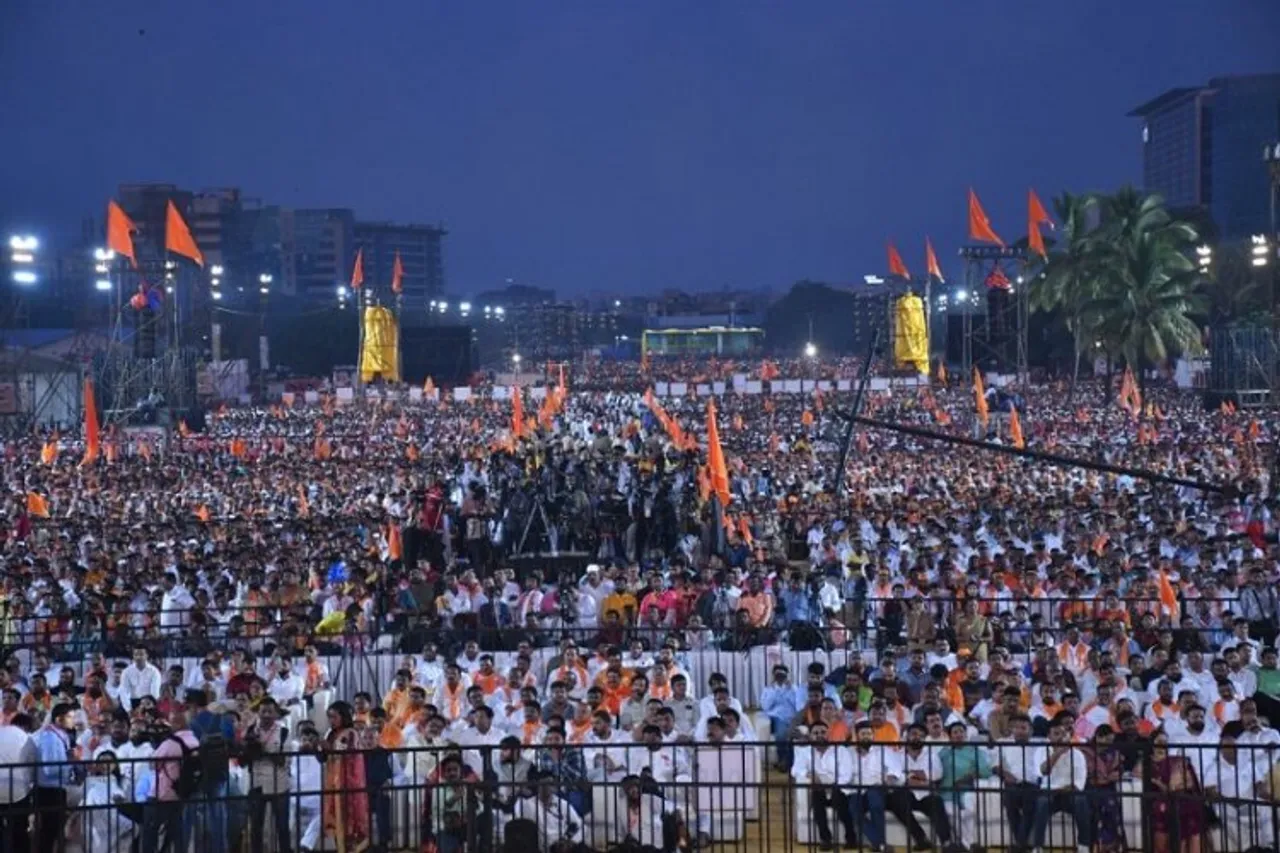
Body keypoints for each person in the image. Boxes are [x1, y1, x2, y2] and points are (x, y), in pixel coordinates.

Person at [1205, 721, 1273, 853]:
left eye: (1234, 745)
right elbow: (1210, 791)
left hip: (1247, 798)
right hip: (1226, 801)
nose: (1232, 749)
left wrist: (1263, 792)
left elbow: (1259, 782)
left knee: (1264, 806)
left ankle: (1269, 845)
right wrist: (1231, 801)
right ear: (1221, 749)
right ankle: (1248, 848)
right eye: (1227, 746)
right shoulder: (1214, 768)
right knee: (1225, 810)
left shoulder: (1246, 763)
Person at [887, 722, 954, 851]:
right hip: (907, 795)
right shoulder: (897, 755)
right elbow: (896, 778)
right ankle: (921, 838)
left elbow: (936, 774)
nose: (917, 737)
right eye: (914, 734)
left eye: (921, 735)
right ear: (907, 736)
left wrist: (909, 774)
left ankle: (947, 843)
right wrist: (922, 779)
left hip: (926, 795)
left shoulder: (931, 754)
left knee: (937, 802)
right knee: (896, 799)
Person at [791, 719, 856, 849]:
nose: (820, 735)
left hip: (839, 790)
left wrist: (832, 786)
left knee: (839, 800)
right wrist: (809, 775)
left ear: (828, 734)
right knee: (817, 796)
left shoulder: (841, 750)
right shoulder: (805, 752)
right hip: (820, 790)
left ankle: (851, 838)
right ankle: (825, 839)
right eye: (816, 733)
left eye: (823, 732)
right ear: (810, 736)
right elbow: (795, 770)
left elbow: (846, 774)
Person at [322, 701, 371, 853]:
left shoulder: (351, 733)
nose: (331, 721)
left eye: (334, 717)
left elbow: (348, 754)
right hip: (334, 783)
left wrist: (329, 748)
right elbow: (325, 757)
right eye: (329, 717)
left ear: (343, 717)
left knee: (350, 820)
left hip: (348, 783)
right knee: (337, 821)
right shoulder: (331, 734)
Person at [33, 701, 80, 853]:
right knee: (48, 833)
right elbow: (51, 769)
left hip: (54, 789)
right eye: (71, 717)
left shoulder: (57, 736)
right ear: (59, 719)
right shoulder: (50, 738)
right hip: (49, 790)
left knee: (52, 832)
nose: (74, 721)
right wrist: (70, 763)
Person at [1150, 728, 1205, 853]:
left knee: (1191, 813)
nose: (1163, 744)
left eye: (1165, 741)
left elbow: (1191, 782)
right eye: (1159, 741)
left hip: (1184, 800)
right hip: (1162, 803)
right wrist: (1168, 786)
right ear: (1152, 743)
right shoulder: (1148, 763)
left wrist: (1177, 785)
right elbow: (1160, 785)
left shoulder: (1178, 760)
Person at [1084, 724, 1126, 853]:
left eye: (1111, 741)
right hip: (1089, 787)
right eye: (1106, 740)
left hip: (1108, 787)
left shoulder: (1114, 753)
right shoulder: (1085, 751)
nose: (1109, 744)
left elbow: (1120, 769)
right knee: (1094, 811)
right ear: (1097, 737)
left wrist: (1116, 774)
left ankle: (1111, 845)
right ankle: (1094, 845)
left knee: (1112, 809)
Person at [0, 712, 37, 853]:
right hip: (18, 791)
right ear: (27, 727)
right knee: (19, 829)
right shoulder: (27, 739)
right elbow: (33, 765)